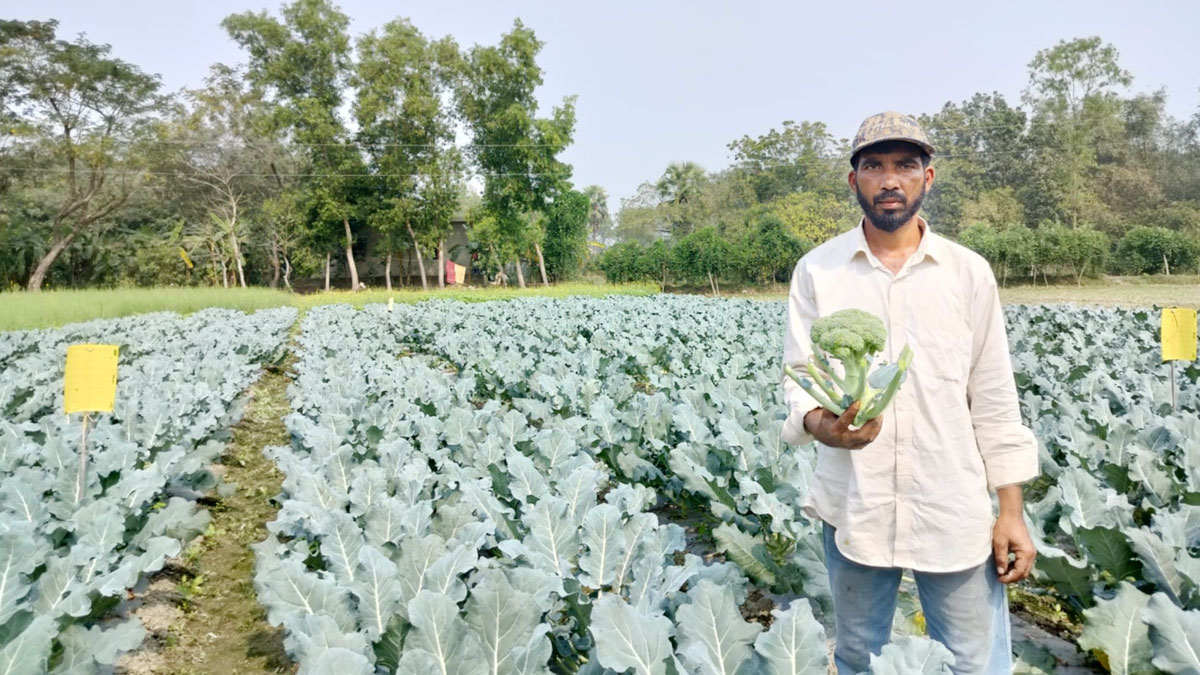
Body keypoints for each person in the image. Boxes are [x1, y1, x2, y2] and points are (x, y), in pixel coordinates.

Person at [779, 111, 1039, 675]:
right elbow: (798, 378)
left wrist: (1011, 510)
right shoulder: (818, 271)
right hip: (855, 502)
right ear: (855, 182)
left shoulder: (968, 273)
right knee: (857, 657)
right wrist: (825, 427)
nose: (889, 179)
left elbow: (994, 397)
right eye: (873, 165)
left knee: (976, 664)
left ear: (928, 177)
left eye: (905, 165)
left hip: (952, 504)